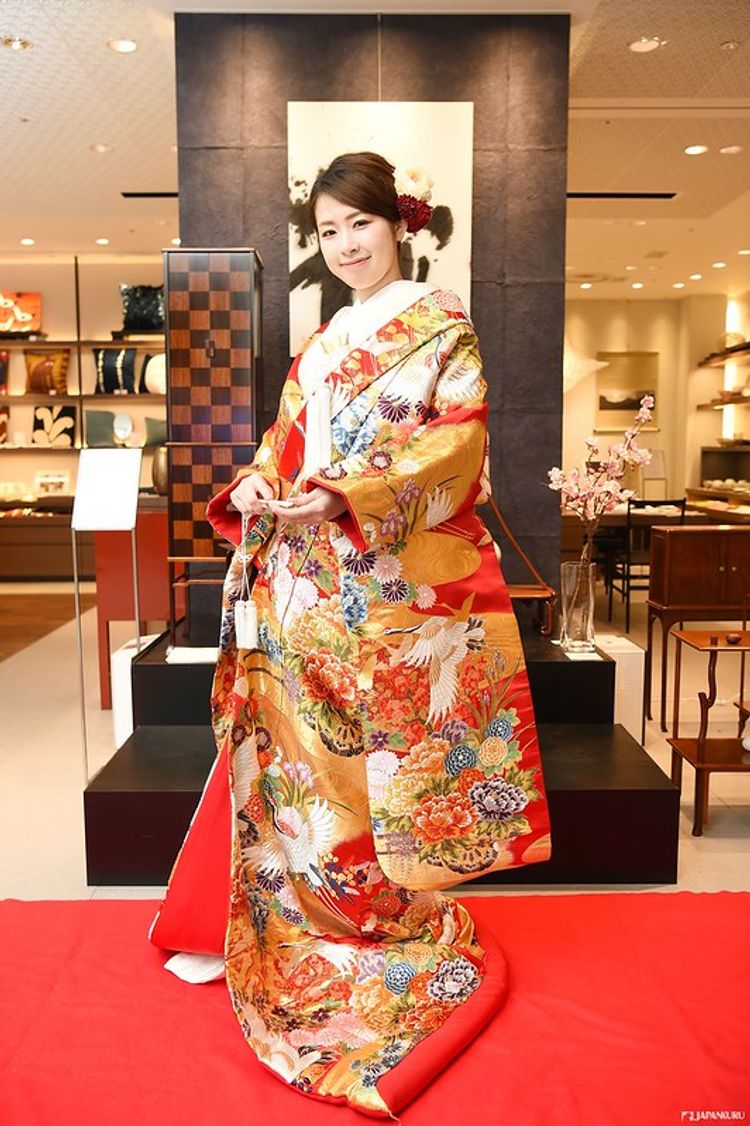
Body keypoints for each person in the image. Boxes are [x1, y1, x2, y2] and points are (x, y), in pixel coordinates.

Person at [150, 151, 551, 1118]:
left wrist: (350, 493)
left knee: (373, 759)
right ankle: (294, 917)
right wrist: (255, 482)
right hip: (300, 580)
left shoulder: (441, 324)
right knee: (296, 760)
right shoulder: (322, 342)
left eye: (359, 225)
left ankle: (375, 920)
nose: (345, 246)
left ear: (398, 224)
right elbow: (282, 444)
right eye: (328, 232)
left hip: (386, 581)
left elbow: (457, 443)